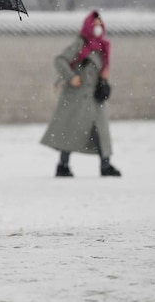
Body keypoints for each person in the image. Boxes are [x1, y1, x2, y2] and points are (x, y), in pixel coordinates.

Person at [40, 10, 121, 177]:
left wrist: (104, 78)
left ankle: (105, 165)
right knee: (70, 130)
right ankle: (63, 165)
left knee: (101, 131)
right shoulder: (79, 44)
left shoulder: (102, 47)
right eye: (95, 25)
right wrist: (71, 77)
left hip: (94, 96)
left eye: (100, 25)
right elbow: (60, 60)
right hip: (77, 96)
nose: (98, 28)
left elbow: (100, 69)